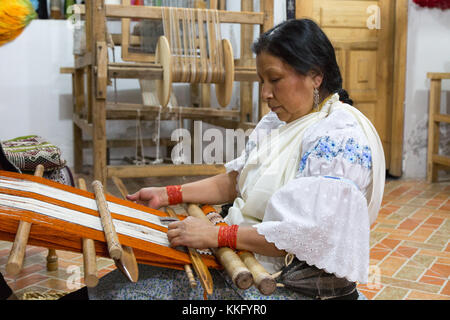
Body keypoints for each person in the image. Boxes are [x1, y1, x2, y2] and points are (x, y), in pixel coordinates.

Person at [68, 18, 386, 300]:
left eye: (274, 80)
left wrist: (218, 234)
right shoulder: (279, 123)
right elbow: (237, 181)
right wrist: (168, 194)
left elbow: (308, 235)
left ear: (315, 76)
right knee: (118, 285)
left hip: (281, 286)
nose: (265, 93)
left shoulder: (339, 135)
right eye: (263, 81)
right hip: (239, 257)